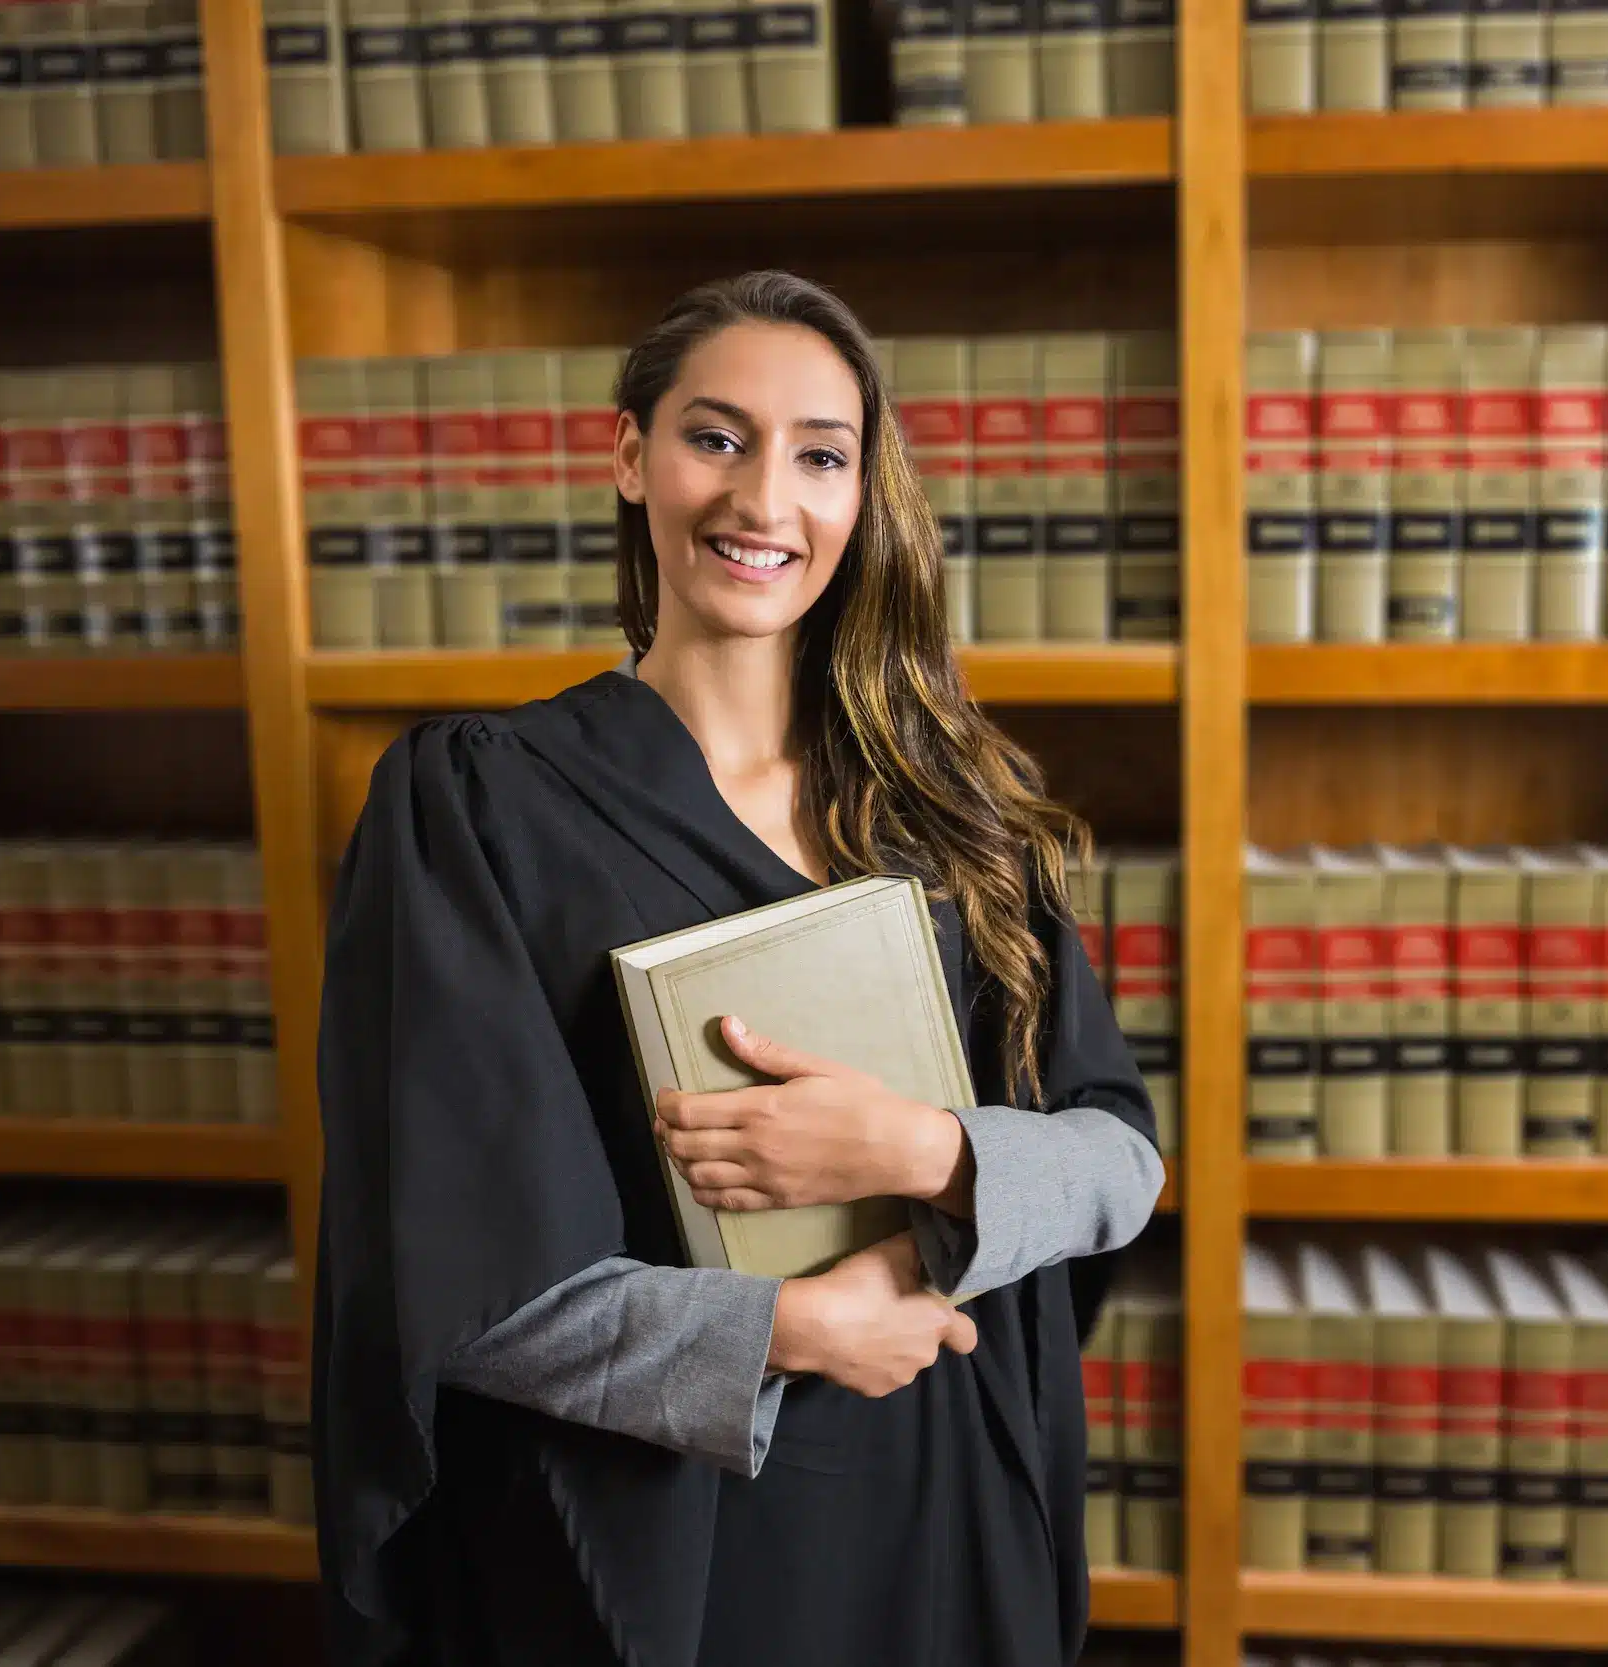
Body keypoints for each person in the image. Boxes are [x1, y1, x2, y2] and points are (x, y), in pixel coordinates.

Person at [311, 270, 1166, 1667]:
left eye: (820, 454)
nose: (767, 499)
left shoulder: (951, 814)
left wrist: (922, 1146)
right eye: (718, 437)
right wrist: (787, 1327)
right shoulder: (479, 804)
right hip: (678, 1536)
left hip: (950, 1487)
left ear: (859, 492)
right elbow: (442, 1282)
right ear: (628, 456)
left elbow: (1122, 1161)